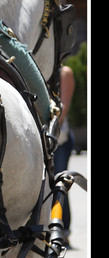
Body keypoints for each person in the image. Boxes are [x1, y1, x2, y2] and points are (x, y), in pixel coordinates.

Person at [54, 64, 76, 244]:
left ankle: (64, 229)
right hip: (46, 138)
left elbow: (63, 109)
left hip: (60, 140)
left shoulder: (65, 73)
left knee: (60, 184)